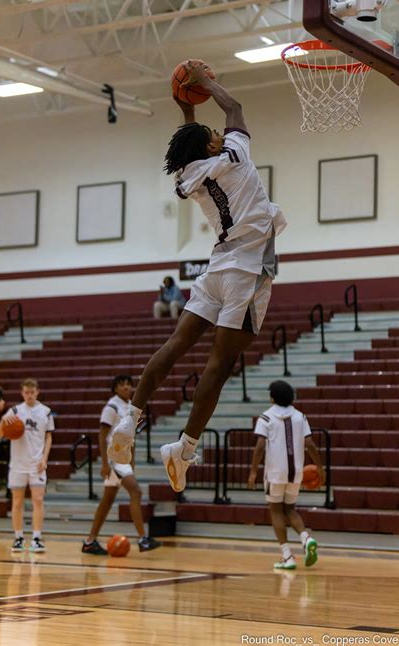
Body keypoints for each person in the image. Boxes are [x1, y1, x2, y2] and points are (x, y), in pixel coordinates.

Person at [108, 60, 286, 495]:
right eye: (212, 136)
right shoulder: (237, 155)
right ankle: (184, 449)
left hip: (216, 267)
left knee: (176, 344)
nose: (219, 134)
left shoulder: (189, 174)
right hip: (246, 269)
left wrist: (188, 109)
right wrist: (207, 82)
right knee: (219, 364)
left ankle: (131, 417)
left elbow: (191, 144)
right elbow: (236, 107)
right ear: (211, 147)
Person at [248, 381, 325, 570]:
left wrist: (252, 472)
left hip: (274, 472)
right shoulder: (301, 416)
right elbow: (310, 444)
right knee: (290, 509)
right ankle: (306, 538)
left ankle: (287, 556)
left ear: (272, 397)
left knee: (275, 511)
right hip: (296, 471)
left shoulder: (266, 417)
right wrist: (320, 467)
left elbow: (259, 447)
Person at [82, 375, 161, 555]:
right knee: (136, 491)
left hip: (123, 459)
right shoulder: (112, 406)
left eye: (128, 384)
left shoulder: (131, 406)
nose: (126, 387)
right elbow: (102, 436)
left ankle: (89, 541)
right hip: (113, 459)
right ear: (115, 388)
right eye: (122, 385)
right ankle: (143, 539)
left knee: (108, 500)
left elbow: (129, 435)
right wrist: (104, 463)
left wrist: (132, 459)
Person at [0, 378, 54, 553]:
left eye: (32, 392)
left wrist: (44, 459)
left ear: (37, 392)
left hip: (37, 463)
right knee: (17, 502)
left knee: (38, 500)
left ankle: (36, 538)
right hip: (18, 464)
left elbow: (49, 437)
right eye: (26, 392)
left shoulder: (46, 412)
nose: (29, 395)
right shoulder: (14, 411)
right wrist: (3, 426)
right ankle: (19, 538)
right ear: (22, 393)